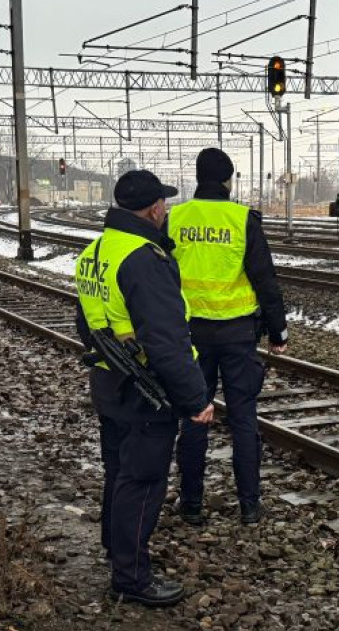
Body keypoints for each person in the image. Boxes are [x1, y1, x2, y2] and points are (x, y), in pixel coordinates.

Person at [74, 169, 214, 608]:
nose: (165, 211)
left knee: (119, 471)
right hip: (144, 388)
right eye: (164, 205)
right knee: (144, 479)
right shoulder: (144, 257)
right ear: (154, 208)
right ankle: (131, 577)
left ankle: (115, 550)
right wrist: (196, 399)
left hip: (108, 381)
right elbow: (166, 339)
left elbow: (85, 322)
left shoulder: (96, 251)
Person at [168, 147, 289, 526]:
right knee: (243, 420)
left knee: (194, 416)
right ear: (227, 180)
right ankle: (250, 507)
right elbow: (264, 278)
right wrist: (277, 330)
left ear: (198, 177)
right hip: (238, 335)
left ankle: (190, 505)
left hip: (191, 335)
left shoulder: (175, 218)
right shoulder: (242, 220)